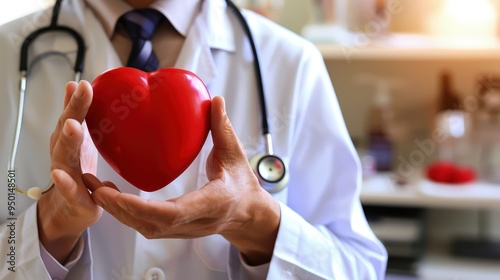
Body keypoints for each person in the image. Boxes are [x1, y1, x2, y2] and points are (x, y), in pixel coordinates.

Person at [0, 0, 387, 279]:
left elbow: (360, 267)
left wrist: (258, 226)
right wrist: (50, 228)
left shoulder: (291, 61)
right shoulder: (6, 53)